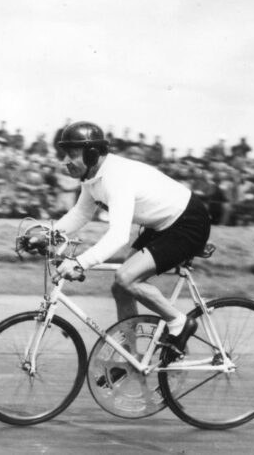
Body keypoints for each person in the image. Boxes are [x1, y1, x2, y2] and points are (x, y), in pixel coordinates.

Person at [49, 121, 210, 366]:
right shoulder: (92, 178)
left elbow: (118, 236)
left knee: (126, 277)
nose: (65, 161)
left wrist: (81, 263)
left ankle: (179, 322)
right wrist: (47, 234)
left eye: (71, 154)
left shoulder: (116, 177)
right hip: (161, 225)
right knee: (121, 287)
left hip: (188, 222)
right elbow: (80, 215)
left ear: (92, 154)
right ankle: (129, 356)